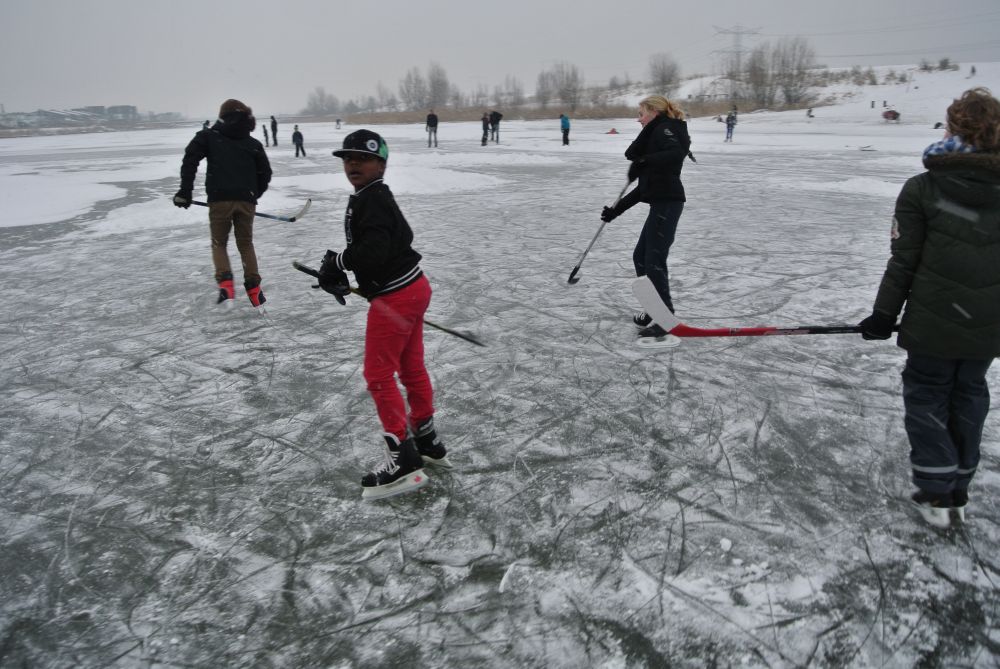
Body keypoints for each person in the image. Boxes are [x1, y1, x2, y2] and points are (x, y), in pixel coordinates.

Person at [858, 87, 1000, 529]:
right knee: (970, 392)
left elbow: (904, 259)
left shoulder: (923, 186)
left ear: (952, 127)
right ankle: (956, 488)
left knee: (927, 393)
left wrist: (883, 315)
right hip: (988, 324)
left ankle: (938, 491)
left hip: (934, 322)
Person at [316, 129, 451, 500]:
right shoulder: (375, 195)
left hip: (396, 298)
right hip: (412, 288)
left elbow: (375, 248)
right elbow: (397, 238)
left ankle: (403, 459)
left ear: (382, 163)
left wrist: (339, 262)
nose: (353, 164)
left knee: (378, 374)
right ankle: (426, 439)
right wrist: (347, 271)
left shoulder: (371, 198)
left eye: (362, 158)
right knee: (410, 367)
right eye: (347, 158)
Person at [599, 95, 692, 348]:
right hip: (660, 204)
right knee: (641, 257)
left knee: (654, 260)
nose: (638, 119)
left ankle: (666, 319)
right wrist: (615, 211)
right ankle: (654, 308)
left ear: (653, 112)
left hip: (669, 204)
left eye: (641, 114)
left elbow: (676, 153)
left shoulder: (667, 128)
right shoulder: (655, 135)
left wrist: (644, 161)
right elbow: (644, 189)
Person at [174, 98, 272, 307]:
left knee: (219, 243)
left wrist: (185, 191)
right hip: (246, 201)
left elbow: (190, 159)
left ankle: (226, 283)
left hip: (219, 200)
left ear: (222, 116)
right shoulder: (252, 144)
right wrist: (253, 195)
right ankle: (254, 289)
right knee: (245, 244)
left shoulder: (209, 137)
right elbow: (265, 173)